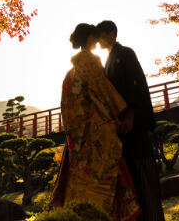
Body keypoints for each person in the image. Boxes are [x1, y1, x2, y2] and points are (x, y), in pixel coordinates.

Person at [51, 23, 140, 221]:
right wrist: (121, 114)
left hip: (78, 141)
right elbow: (104, 93)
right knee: (107, 183)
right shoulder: (91, 63)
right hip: (96, 135)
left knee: (83, 184)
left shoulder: (70, 73)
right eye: (95, 36)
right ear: (90, 38)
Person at [97, 20, 165, 221]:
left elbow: (137, 83)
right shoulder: (109, 59)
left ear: (111, 34)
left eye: (102, 35)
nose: (100, 39)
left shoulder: (125, 53)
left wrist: (132, 113)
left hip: (134, 124)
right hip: (122, 129)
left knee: (144, 176)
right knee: (133, 180)